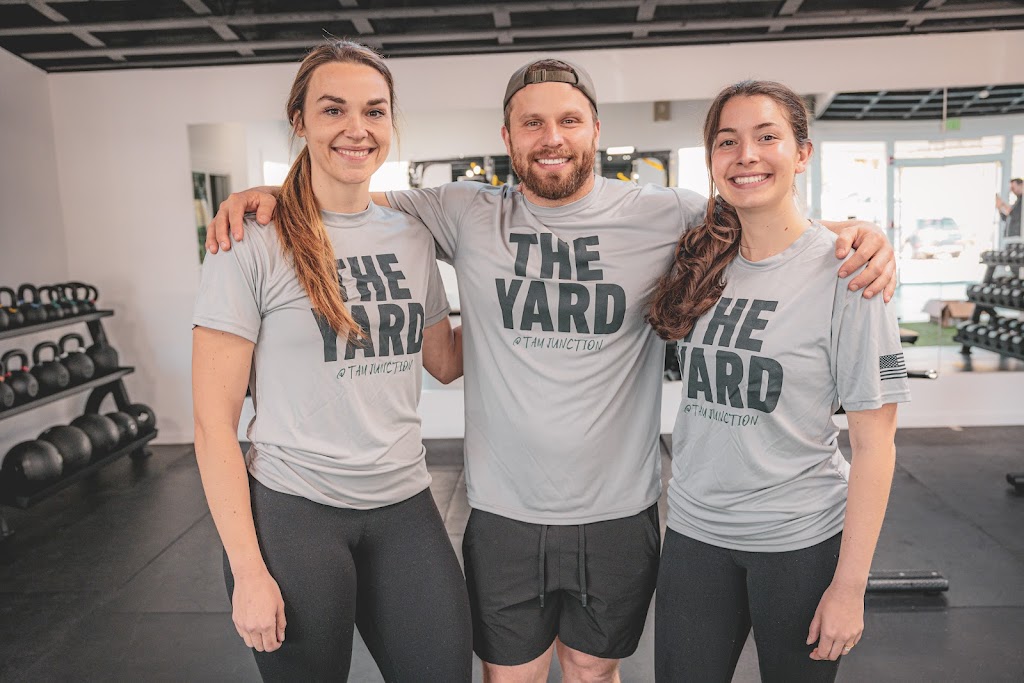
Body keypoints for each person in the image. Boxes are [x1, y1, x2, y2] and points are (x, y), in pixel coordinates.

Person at [206, 59, 897, 683]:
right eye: (532, 123)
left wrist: (857, 234)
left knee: (594, 671)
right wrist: (264, 193)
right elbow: (349, 196)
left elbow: (762, 214)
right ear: (507, 137)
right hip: (503, 510)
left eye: (568, 120)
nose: (552, 138)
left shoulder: (667, 214)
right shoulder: (462, 211)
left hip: (619, 510)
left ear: (595, 129)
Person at [191, 40, 472, 682]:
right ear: (300, 121)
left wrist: (536, 316)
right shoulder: (251, 240)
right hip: (295, 514)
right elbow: (212, 425)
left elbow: (445, 360)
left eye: (374, 111)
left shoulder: (411, 235)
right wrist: (248, 571)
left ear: (391, 123)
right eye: (333, 109)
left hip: (404, 504)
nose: (356, 128)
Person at [648, 80, 910, 683]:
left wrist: (850, 588)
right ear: (712, 159)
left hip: (799, 544)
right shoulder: (698, 259)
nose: (746, 155)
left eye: (767, 137)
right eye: (727, 141)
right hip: (693, 534)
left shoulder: (851, 275)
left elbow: (875, 446)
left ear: (802, 153)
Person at [996, 177, 1022, 241]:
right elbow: (1007, 217)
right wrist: (1000, 207)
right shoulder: (1018, 201)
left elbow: (1014, 214)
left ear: (1021, 185)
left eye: (1013, 188)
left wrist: (1002, 204)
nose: (1012, 191)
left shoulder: (1021, 201)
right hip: (1011, 237)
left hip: (1018, 237)